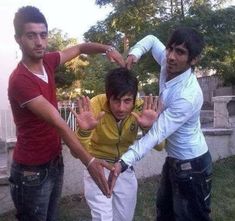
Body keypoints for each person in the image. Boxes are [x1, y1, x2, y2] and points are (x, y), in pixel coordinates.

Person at [8, 5, 126, 221]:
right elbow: (58, 123)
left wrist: (107, 48)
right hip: (31, 171)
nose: (39, 42)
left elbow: (80, 48)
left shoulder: (48, 62)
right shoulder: (20, 81)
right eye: (31, 35)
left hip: (53, 161)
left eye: (43, 35)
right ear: (18, 39)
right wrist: (89, 162)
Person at [109, 27, 213, 221]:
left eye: (180, 52)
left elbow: (157, 133)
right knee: (164, 213)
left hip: (192, 166)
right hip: (174, 160)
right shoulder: (168, 62)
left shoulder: (188, 96)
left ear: (194, 59)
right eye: (170, 48)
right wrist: (135, 53)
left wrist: (124, 162)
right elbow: (150, 39)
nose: (171, 57)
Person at [70, 67, 164, 221]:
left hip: (125, 168)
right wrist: (84, 132)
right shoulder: (94, 105)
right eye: (115, 100)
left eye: (127, 101)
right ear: (108, 97)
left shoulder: (142, 107)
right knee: (103, 218)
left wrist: (149, 128)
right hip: (98, 168)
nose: (121, 108)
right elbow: (76, 153)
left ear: (134, 99)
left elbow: (160, 146)